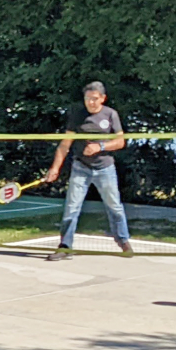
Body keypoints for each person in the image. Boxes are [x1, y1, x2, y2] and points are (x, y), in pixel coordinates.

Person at [43, 80, 132, 260]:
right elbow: (65, 144)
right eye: (87, 99)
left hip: (105, 168)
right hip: (81, 167)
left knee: (114, 206)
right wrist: (55, 168)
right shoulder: (77, 115)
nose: (90, 102)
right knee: (71, 207)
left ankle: (123, 241)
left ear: (102, 99)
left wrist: (99, 147)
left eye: (94, 99)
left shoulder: (111, 115)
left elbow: (120, 142)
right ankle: (65, 246)